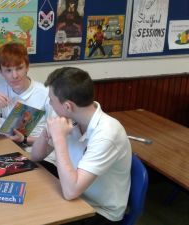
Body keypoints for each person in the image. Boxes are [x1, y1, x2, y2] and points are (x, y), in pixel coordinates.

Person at [31, 67, 131, 224]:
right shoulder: (69, 118)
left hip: (99, 211)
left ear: (68, 106)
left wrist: (59, 138)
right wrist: (47, 132)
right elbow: (35, 156)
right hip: (76, 193)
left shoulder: (107, 134)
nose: (49, 103)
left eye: (51, 100)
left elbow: (71, 192)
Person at [0, 42, 55, 170]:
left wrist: (24, 139)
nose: (14, 75)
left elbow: (57, 137)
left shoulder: (45, 93)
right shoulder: (2, 88)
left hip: (42, 156)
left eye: (19, 68)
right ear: (1, 72)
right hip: (11, 151)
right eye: (8, 70)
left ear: (27, 67)